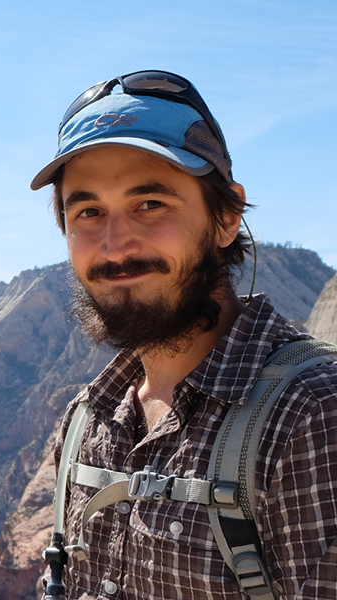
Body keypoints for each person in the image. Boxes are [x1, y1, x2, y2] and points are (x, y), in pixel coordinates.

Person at [30, 71, 337, 598]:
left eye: (150, 204)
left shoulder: (313, 417)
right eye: (88, 212)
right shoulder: (84, 424)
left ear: (226, 216)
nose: (115, 246)